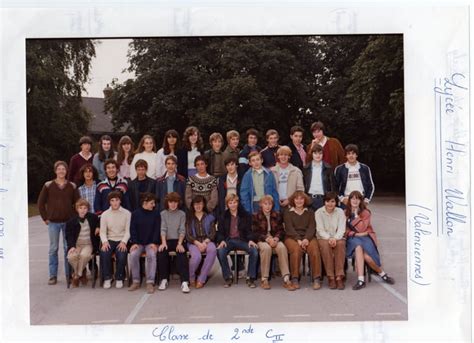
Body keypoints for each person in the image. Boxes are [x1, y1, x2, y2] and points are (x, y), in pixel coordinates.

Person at [38, 161, 80, 285]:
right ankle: (52, 276)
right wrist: (45, 217)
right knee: (53, 249)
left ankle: (69, 275)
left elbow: (77, 204)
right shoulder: (48, 185)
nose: (61, 171)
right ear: (55, 171)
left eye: (63, 169)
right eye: (59, 169)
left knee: (68, 248)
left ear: (66, 171)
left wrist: (75, 218)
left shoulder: (72, 186)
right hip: (53, 223)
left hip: (68, 222)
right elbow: (40, 203)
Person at [345, 191, 395, 290]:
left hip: (366, 237)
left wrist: (356, 216)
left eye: (357, 198)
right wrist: (355, 234)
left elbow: (362, 228)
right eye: (353, 198)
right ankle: (381, 275)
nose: (355, 201)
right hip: (353, 238)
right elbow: (345, 230)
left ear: (361, 201)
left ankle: (364, 279)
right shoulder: (345, 212)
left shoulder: (366, 212)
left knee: (366, 256)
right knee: (358, 246)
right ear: (349, 200)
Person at [251, 195, 295, 291]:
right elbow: (254, 232)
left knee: (282, 247)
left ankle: (286, 278)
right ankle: (264, 279)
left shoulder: (277, 215)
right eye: (265, 204)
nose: (267, 206)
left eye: (270, 204)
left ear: (272, 205)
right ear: (261, 205)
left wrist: (276, 239)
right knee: (266, 249)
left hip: (274, 239)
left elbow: (281, 230)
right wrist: (267, 239)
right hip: (262, 240)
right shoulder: (255, 216)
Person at [216, 194, 258, 288]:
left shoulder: (245, 215)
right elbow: (220, 231)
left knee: (254, 251)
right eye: (230, 203)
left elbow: (249, 230)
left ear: (238, 203)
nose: (233, 205)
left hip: (242, 240)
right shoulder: (223, 216)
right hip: (228, 241)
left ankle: (250, 278)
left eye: (235, 202)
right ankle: (228, 277)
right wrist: (221, 240)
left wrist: (251, 240)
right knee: (220, 251)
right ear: (227, 204)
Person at [283, 191, 321, 290]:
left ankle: (316, 278)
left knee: (314, 249)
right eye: (296, 199)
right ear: (293, 200)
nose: (299, 201)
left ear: (305, 200)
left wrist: (306, 239)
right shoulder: (288, 212)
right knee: (296, 249)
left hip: (308, 237)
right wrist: (298, 240)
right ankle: (295, 278)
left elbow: (312, 227)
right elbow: (289, 228)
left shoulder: (310, 212)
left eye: (301, 199)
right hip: (292, 237)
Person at [128, 192, 160, 294]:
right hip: (139, 243)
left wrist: (154, 242)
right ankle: (136, 281)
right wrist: (134, 243)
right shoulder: (135, 214)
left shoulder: (156, 214)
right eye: (152, 203)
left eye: (154, 203)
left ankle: (150, 282)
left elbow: (157, 229)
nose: (154, 205)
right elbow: (132, 229)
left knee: (151, 255)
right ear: (145, 203)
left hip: (151, 243)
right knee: (133, 255)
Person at [157, 192, 190, 293]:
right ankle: (164, 279)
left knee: (181, 253)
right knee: (161, 253)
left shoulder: (182, 214)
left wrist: (180, 243)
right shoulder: (163, 214)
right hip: (166, 240)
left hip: (178, 240)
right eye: (171, 202)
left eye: (175, 202)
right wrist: (163, 243)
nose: (173, 204)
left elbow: (182, 230)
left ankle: (184, 282)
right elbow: (163, 229)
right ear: (167, 202)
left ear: (178, 203)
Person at [99, 191, 131, 289]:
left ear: (120, 201)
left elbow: (128, 231)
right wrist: (104, 242)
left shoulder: (127, 213)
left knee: (121, 254)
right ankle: (108, 277)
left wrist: (124, 242)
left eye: (117, 200)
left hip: (122, 239)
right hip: (109, 239)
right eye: (112, 201)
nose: (115, 203)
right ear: (109, 202)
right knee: (104, 253)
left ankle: (119, 278)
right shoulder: (105, 214)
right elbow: (102, 232)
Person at [65, 199, 100, 287]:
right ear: (77, 209)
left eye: (85, 208)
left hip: (88, 244)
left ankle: (76, 275)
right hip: (77, 245)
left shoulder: (93, 218)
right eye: (80, 208)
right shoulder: (71, 221)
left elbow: (101, 221)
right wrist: (72, 246)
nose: (83, 210)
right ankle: (80, 274)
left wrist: (98, 227)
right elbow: (69, 235)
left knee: (85, 256)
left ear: (88, 209)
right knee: (71, 257)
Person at [315, 192, 346, 290]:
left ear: (336, 202)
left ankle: (339, 276)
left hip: (337, 236)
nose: (330, 204)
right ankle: (330, 277)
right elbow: (320, 230)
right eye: (327, 201)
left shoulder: (340, 212)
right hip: (323, 237)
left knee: (340, 244)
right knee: (325, 246)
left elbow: (342, 228)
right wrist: (329, 238)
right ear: (324, 202)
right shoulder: (319, 212)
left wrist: (335, 238)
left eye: (332, 201)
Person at [186, 196, 217, 289]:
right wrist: (198, 243)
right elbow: (188, 234)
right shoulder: (189, 218)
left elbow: (213, 233)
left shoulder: (210, 217)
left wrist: (205, 242)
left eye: (200, 204)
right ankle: (191, 277)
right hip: (193, 242)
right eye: (196, 204)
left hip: (207, 240)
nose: (198, 206)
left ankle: (201, 279)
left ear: (203, 205)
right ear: (193, 206)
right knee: (196, 257)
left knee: (213, 250)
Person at [303, 144, 336, 211]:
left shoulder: (328, 168)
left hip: (324, 199)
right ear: (312, 154)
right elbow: (303, 184)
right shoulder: (306, 168)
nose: (318, 155)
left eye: (320, 153)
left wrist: (331, 199)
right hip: (310, 199)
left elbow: (332, 186)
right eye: (315, 153)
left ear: (323, 154)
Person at [271, 146, 304, 210]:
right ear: (278, 156)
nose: (283, 157)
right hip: (275, 204)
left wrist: (289, 200)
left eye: (286, 155)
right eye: (281, 155)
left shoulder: (296, 171)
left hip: (291, 204)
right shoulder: (272, 171)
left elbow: (300, 189)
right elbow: (269, 188)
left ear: (289, 156)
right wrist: (276, 199)